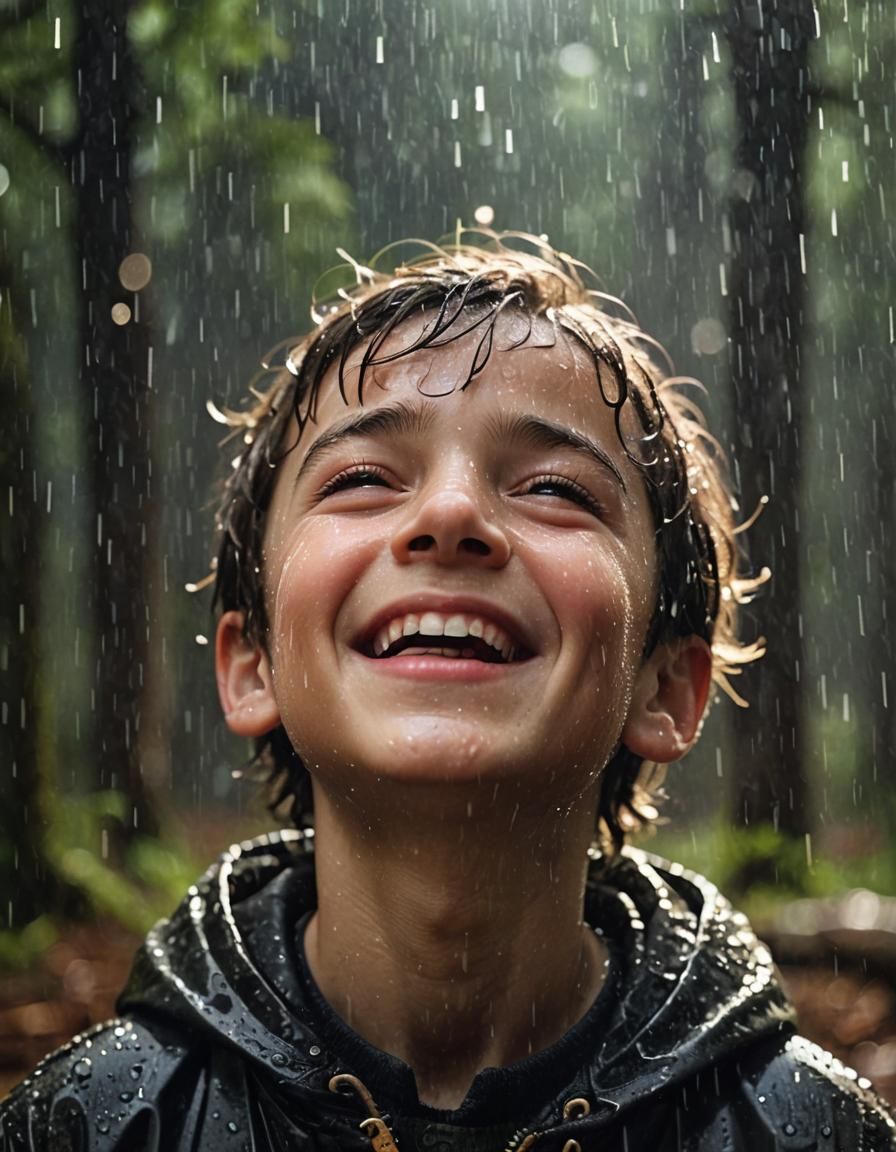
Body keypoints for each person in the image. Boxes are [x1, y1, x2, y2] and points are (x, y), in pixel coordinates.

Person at [2, 234, 894, 1151]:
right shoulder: (88, 1124)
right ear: (252, 664)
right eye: (362, 478)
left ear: (664, 686)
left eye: (555, 489)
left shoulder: (807, 1132)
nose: (451, 513)